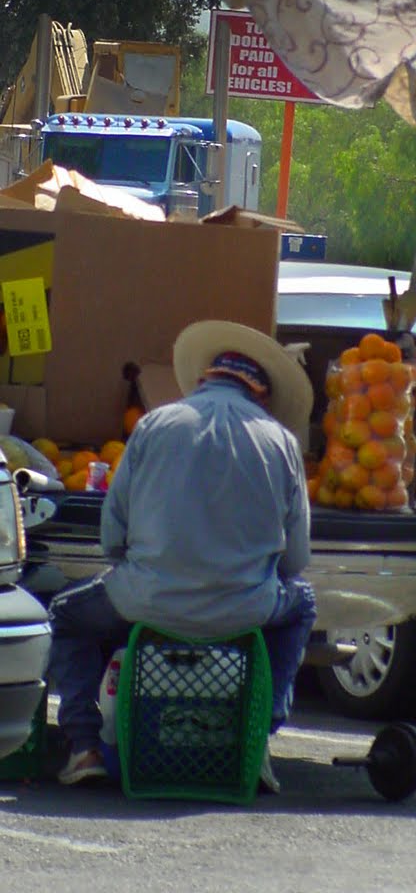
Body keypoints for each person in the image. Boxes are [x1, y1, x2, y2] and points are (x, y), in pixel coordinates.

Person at [48, 320, 317, 790]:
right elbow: (295, 561)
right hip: (245, 612)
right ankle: (259, 741)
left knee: (67, 615)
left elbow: (113, 538)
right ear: (261, 395)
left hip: (146, 602)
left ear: (201, 380)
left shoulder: (154, 425)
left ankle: (84, 745)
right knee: (303, 603)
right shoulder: (282, 444)